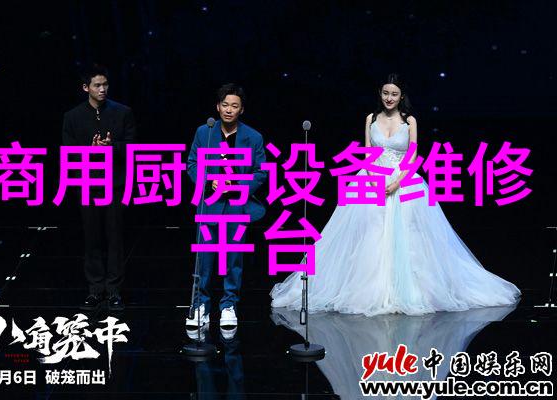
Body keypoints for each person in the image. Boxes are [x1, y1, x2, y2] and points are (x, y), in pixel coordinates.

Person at [270, 74, 520, 316]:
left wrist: (398, 182)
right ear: (380, 94)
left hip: (404, 180)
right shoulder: (370, 118)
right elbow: (367, 151)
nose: (389, 98)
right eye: (385, 93)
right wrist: (373, 179)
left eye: (394, 94)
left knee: (411, 237)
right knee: (370, 234)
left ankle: (411, 291)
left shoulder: (409, 121)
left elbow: (413, 154)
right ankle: (368, 290)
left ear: (401, 96)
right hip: (372, 178)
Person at [186, 83, 267, 328]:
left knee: (233, 258)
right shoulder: (205, 132)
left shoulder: (253, 137)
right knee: (204, 258)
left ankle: (229, 305)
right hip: (210, 203)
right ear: (217, 107)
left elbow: (261, 172)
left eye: (234, 106)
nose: (229, 110)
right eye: (225, 105)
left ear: (242, 110)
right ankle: (200, 305)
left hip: (236, 205)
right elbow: (192, 163)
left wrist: (239, 184)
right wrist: (209, 181)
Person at [62, 64, 136, 311]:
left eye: (105, 85)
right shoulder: (73, 116)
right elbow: (68, 152)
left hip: (115, 184)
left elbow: (133, 147)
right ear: (86, 88)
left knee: (115, 237)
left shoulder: (122, 112)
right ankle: (95, 289)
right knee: (91, 237)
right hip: (88, 183)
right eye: (97, 85)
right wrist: (90, 150)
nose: (102, 89)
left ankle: (114, 291)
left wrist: (112, 147)